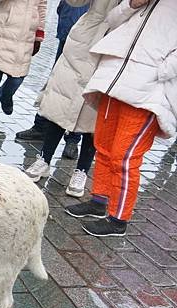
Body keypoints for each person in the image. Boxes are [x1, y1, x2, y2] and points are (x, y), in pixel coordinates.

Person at [65, 0, 176, 237]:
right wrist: (133, 4)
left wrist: (159, 70)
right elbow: (112, 20)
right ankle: (98, 201)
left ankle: (118, 218)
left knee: (125, 156)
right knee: (103, 146)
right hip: (113, 81)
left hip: (147, 92)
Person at [24, 0, 120, 198]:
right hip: (84, 40)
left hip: (117, 46)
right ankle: (44, 157)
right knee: (62, 101)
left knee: (95, 113)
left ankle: (82, 170)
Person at [16, 0, 89, 161]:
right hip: (70, 29)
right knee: (57, 82)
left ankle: (72, 138)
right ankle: (41, 126)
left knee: (82, 89)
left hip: (91, 36)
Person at [0, 0, 47, 134]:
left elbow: (42, 7)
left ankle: (5, 95)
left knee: (17, 78)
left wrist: (39, 34)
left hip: (26, 36)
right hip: (3, 32)